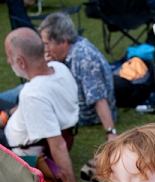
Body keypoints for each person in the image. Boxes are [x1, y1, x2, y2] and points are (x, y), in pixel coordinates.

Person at [0, 27, 88, 182]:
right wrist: (10, 114)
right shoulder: (59, 68)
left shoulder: (33, 95)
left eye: (9, 57)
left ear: (20, 62)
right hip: (28, 124)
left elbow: (58, 145)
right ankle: (6, 114)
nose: (8, 61)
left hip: (16, 147)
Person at [38, 12, 117, 140]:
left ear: (63, 41)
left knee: (31, 105)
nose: (45, 49)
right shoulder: (65, 53)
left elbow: (99, 98)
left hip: (85, 115)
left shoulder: (84, 58)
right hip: (69, 104)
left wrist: (111, 132)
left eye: (47, 44)